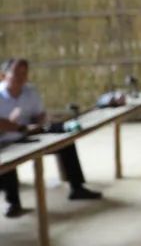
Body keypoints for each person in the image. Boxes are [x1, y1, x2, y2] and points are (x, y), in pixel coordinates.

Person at [0, 58, 103, 218]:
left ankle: (77, 188)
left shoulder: (30, 91)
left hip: (29, 134)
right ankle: (13, 203)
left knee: (65, 143)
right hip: (5, 141)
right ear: (4, 75)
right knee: (8, 159)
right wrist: (17, 126)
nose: (21, 77)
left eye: (24, 73)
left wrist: (39, 122)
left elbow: (40, 115)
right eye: (16, 73)